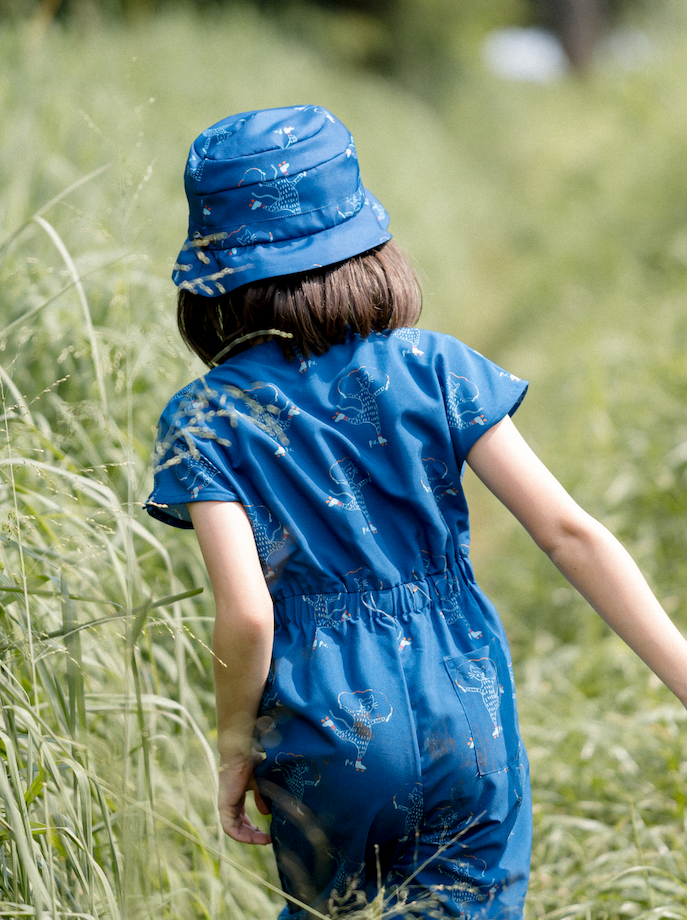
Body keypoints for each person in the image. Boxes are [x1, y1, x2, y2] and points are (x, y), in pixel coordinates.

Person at [145, 105, 687, 920]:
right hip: (462, 693)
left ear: (212, 275)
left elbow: (248, 615)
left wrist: (233, 750)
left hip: (326, 730)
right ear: (367, 243)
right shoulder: (436, 367)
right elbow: (569, 532)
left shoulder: (205, 416)